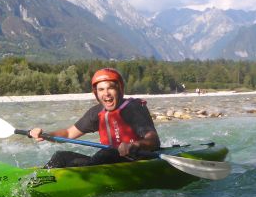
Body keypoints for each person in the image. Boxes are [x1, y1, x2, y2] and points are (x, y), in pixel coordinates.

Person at [30, 68, 161, 169]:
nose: (106, 93)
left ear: (120, 89)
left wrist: (135, 145)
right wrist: (46, 135)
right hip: (107, 160)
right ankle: (40, 181)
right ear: (96, 93)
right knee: (60, 157)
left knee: (107, 153)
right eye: (101, 89)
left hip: (138, 159)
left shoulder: (133, 109)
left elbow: (153, 140)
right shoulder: (96, 113)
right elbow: (68, 133)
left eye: (111, 88)